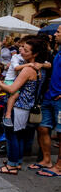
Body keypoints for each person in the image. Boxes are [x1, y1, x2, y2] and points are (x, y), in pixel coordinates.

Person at [0, 38, 47, 175]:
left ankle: (11, 165)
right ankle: (16, 162)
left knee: (12, 136)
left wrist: (0, 84)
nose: (22, 52)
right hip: (25, 107)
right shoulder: (37, 69)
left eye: (26, 51)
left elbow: (12, 89)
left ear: (34, 54)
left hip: (18, 107)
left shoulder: (27, 70)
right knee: (19, 136)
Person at [28, 25, 61, 177]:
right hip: (49, 97)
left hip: (58, 99)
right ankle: (47, 160)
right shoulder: (58, 52)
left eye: (59, 32)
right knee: (42, 128)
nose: (55, 34)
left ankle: (59, 166)